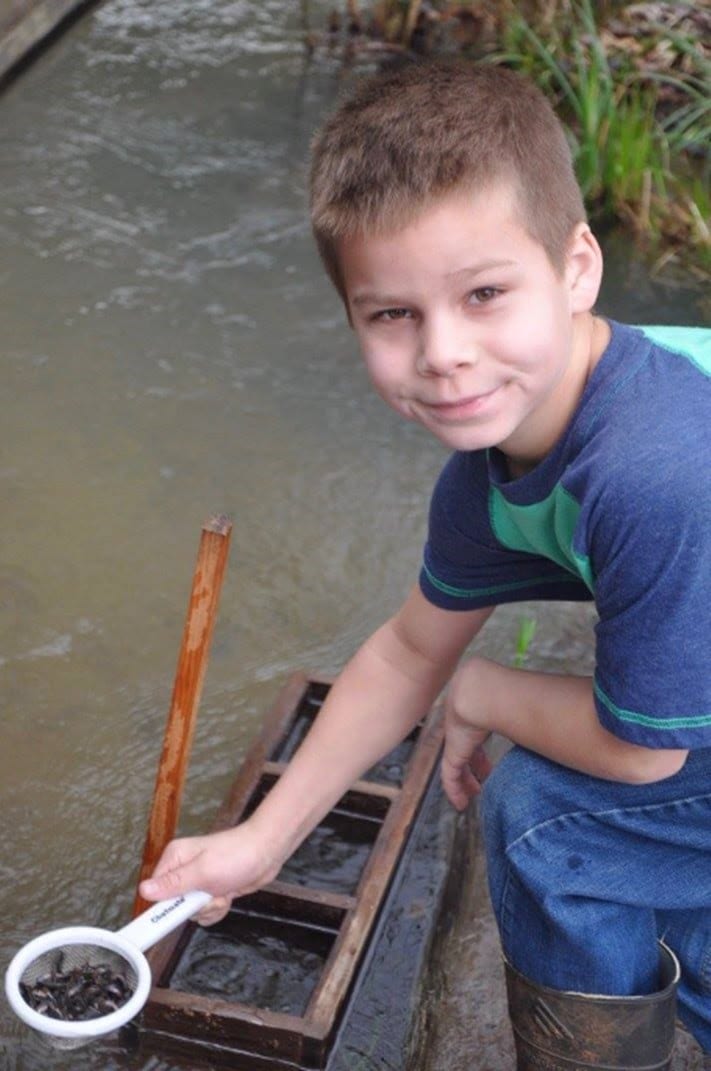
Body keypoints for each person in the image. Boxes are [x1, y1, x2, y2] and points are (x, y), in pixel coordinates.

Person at [140, 60, 711, 1068]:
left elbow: (642, 757)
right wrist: (260, 844)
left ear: (578, 266)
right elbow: (408, 654)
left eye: (485, 293)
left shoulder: (654, 469)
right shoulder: (491, 476)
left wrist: (486, 688)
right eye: (392, 314)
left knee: (546, 818)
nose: (443, 352)